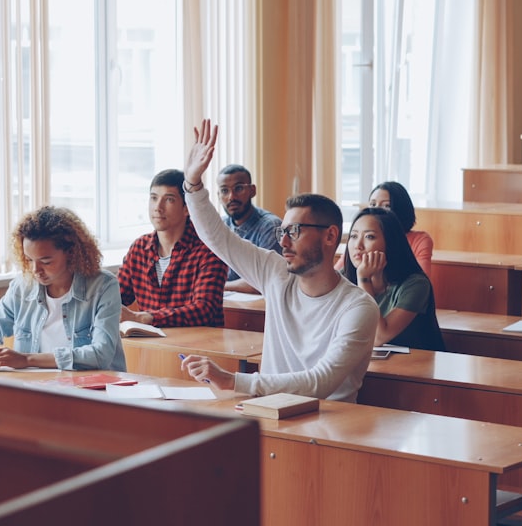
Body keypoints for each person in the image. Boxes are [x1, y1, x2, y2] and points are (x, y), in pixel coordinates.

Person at [179, 119, 379, 401]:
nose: (284, 241)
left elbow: (319, 383)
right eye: (282, 232)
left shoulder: (358, 308)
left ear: (330, 236)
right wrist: (193, 184)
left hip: (329, 425)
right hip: (268, 410)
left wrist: (232, 380)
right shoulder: (276, 274)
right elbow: (218, 239)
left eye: (295, 232)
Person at [0, 206, 126, 371]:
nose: (35, 270)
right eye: (29, 259)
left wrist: (27, 359)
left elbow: (101, 354)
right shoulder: (22, 287)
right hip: (37, 388)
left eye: (46, 262)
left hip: (92, 391)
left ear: (71, 253)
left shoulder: (103, 286)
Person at [117, 169, 228, 327]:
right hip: (152, 346)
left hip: (196, 346)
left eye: (169, 199)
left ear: (186, 208)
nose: (158, 207)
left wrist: (144, 318)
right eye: (153, 198)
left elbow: (204, 310)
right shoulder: (139, 248)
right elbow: (116, 297)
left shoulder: (208, 250)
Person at [342, 207, 445, 350]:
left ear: (390, 242)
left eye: (369, 237)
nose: (358, 246)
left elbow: (378, 336)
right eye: (353, 236)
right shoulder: (342, 278)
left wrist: (364, 280)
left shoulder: (416, 284)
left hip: (413, 366)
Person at [217, 164, 283, 294]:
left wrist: (219, 286)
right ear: (218, 195)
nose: (231, 197)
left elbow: (264, 280)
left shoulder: (271, 226)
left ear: (252, 191)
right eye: (225, 191)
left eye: (239, 188)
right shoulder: (220, 226)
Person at [367, 181, 433, 277]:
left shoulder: (419, 240)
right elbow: (340, 274)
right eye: (373, 204)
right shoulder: (361, 238)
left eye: (386, 206)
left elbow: (422, 282)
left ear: (401, 209)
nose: (376, 210)